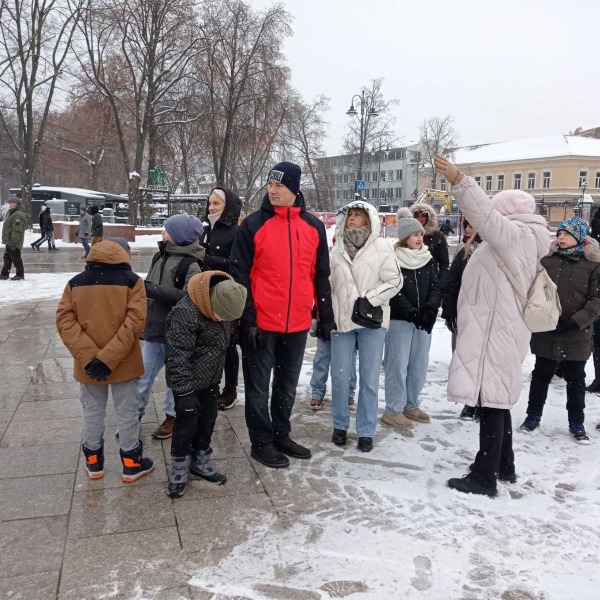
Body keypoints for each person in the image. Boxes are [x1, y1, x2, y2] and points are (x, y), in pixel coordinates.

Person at [434, 155, 551, 498]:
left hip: (496, 329)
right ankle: (504, 465)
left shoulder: (514, 235)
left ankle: (484, 477)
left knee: (491, 401)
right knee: (496, 399)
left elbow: (483, 214)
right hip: (498, 326)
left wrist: (460, 181)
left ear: (506, 214)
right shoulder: (518, 238)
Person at [230, 161, 334, 468]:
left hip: (297, 323)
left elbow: (321, 274)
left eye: (280, 186)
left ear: (295, 189)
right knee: (258, 387)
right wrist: (247, 318)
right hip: (261, 323)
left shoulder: (313, 227)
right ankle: (261, 442)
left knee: (287, 384)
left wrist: (325, 315)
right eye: (270, 185)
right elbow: (239, 274)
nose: (273, 191)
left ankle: (281, 433)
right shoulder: (253, 224)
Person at [55, 238, 154, 483]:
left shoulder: (75, 283)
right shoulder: (133, 282)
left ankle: (94, 463)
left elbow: (65, 322)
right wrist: (108, 358)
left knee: (92, 412)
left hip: (87, 365)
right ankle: (131, 464)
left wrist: (91, 357)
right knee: (127, 412)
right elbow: (134, 324)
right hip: (124, 361)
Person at [165, 271, 247, 497]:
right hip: (187, 383)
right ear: (211, 302)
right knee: (186, 424)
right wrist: (184, 393)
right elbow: (177, 356)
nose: (222, 321)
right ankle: (180, 467)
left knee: (207, 420)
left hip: (211, 379)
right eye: (221, 316)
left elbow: (226, 336)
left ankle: (200, 460)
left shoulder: (224, 305)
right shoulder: (186, 313)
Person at [329, 200, 403, 452]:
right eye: (350, 214)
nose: (352, 218)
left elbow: (395, 281)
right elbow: (329, 283)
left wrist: (369, 300)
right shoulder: (337, 248)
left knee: (369, 379)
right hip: (342, 321)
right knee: (340, 377)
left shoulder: (382, 247)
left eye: (358, 214)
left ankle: (366, 430)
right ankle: (340, 425)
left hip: (372, 321)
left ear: (369, 219)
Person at [521, 217, 600, 443]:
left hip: (576, 332)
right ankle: (532, 416)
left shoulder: (593, 264)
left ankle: (577, 423)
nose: (561, 238)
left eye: (566, 234)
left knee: (575, 380)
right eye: (559, 234)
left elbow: (597, 300)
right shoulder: (547, 260)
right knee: (540, 375)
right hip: (547, 329)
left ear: (579, 236)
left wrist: (575, 321)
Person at [138, 213, 204, 439]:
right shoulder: (159, 256)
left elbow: (189, 298)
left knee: (174, 378)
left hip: (177, 332)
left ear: (179, 236)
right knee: (142, 376)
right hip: (153, 329)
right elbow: (148, 288)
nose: (162, 233)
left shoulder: (191, 264)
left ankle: (172, 416)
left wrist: (153, 290)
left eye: (167, 230)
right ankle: (133, 416)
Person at [382, 216, 441, 432]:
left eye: (421, 234)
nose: (419, 238)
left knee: (418, 364)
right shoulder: (393, 259)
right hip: (400, 320)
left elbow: (436, 286)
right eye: (415, 234)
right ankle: (393, 409)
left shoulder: (427, 258)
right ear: (405, 237)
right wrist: (411, 312)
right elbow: (393, 289)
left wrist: (430, 309)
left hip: (423, 322)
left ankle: (410, 404)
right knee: (397, 365)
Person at [199, 187, 243, 410]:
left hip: (225, 295)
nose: (211, 207)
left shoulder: (236, 232)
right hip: (204, 292)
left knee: (227, 344)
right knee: (209, 341)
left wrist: (207, 258)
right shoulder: (206, 229)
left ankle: (231, 388)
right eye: (210, 203)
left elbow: (237, 265)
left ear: (228, 207)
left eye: (216, 203)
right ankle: (210, 385)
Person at [441, 217, 482, 420]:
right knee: (464, 359)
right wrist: (449, 312)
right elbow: (452, 283)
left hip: (488, 317)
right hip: (465, 314)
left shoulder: (497, 251)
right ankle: (469, 401)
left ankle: (482, 402)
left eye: (472, 225)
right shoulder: (465, 252)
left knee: (484, 362)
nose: (468, 229)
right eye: (467, 225)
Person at [410, 203, 449, 285]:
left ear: (428, 217)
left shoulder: (438, 236)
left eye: (423, 216)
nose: (420, 219)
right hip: (412, 281)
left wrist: (440, 285)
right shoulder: (408, 236)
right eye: (417, 216)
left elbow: (444, 264)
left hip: (432, 281)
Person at [1, 196, 26, 281]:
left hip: (14, 241)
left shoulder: (18, 214)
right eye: (10, 203)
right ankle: (4, 274)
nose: (11, 205)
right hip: (10, 240)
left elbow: (17, 229)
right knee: (7, 257)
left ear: (17, 204)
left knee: (16, 258)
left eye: (13, 203)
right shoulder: (12, 212)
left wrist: (14, 241)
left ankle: (20, 275)